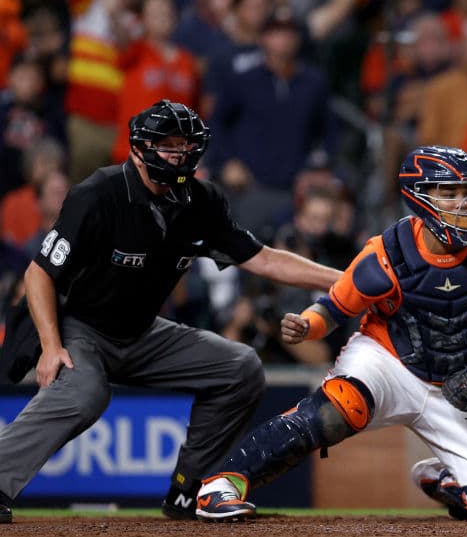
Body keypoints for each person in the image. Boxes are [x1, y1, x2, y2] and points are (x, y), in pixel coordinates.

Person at [0, 100, 342, 524]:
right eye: (168, 146)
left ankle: (191, 489)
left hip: (142, 332)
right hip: (81, 326)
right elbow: (38, 274)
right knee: (85, 392)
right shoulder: (98, 194)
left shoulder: (201, 201)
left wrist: (346, 279)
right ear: (141, 149)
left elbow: (266, 260)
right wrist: (51, 346)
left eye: (185, 146)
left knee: (240, 366)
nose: (178, 155)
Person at [193, 146, 467, 522]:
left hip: (459, 383)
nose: (463, 203)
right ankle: (223, 484)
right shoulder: (388, 251)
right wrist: (309, 324)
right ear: (418, 197)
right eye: (449, 193)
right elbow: (335, 308)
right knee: (338, 410)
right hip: (388, 362)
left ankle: (447, 478)